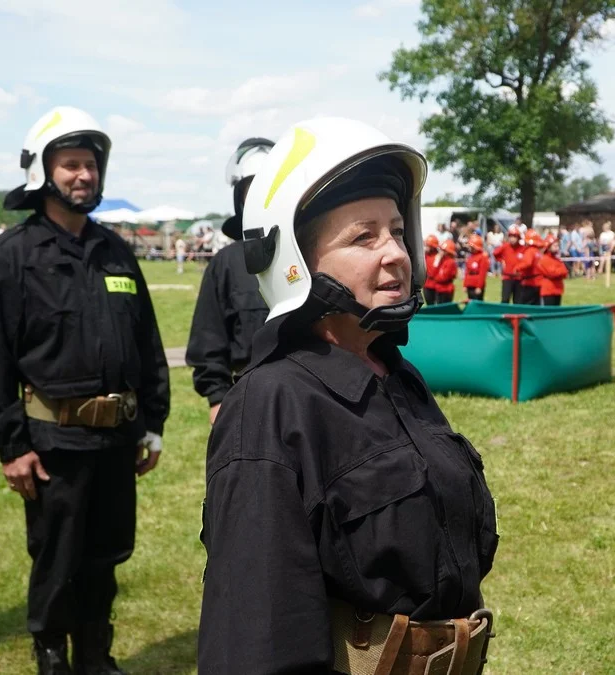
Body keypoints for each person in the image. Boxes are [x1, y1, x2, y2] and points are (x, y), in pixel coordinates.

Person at [198, 117, 497, 674]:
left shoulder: (397, 377)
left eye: (396, 231)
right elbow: (257, 641)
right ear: (296, 262)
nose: (395, 253)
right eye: (364, 237)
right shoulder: (270, 408)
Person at [0, 107, 170, 674]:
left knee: (105, 556)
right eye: (70, 165)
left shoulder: (116, 251)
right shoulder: (12, 255)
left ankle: (94, 654)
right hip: (52, 441)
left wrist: (151, 422)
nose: (84, 175)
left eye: (90, 165)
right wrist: (11, 444)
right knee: (57, 557)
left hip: (115, 441)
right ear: (43, 172)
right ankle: (52, 654)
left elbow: (146, 344)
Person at [187, 138, 274, 424]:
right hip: (247, 406)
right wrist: (217, 398)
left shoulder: (314, 254)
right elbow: (208, 336)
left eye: (271, 186)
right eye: (254, 188)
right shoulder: (226, 263)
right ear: (241, 197)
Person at [492, 225, 524, 303]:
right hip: (507, 277)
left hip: (519, 278)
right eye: (511, 236)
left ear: (518, 238)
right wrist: (501, 260)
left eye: (515, 237)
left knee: (518, 300)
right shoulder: (505, 246)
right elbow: (495, 253)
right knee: (505, 299)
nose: (512, 239)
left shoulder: (523, 248)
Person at [537, 233, 569, 305]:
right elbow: (552, 273)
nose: (557, 248)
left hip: (558, 290)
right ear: (548, 247)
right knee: (548, 313)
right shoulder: (544, 259)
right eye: (555, 246)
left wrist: (559, 271)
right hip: (548, 291)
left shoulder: (557, 259)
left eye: (558, 246)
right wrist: (559, 271)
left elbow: (565, 272)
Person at [516, 229, 542, 305]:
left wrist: (517, 268)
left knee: (524, 306)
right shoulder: (537, 252)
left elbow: (527, 263)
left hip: (530, 283)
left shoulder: (530, 251)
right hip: (538, 282)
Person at [429, 238, 459, 303]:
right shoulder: (441, 260)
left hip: (446, 290)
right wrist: (436, 262)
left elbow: (444, 277)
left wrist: (435, 278)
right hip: (439, 289)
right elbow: (432, 273)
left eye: (443, 250)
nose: (441, 252)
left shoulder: (451, 262)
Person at [464, 233, 489, 301]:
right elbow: (467, 272)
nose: (469, 248)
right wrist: (465, 285)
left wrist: (479, 287)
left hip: (476, 284)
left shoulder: (482, 257)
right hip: (470, 284)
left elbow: (482, 274)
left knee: (477, 303)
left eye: (471, 246)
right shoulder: (470, 257)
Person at [422, 234, 440, 305]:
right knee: (429, 304)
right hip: (427, 284)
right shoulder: (425, 255)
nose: (426, 247)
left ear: (433, 247)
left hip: (435, 285)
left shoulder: (438, 257)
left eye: (428, 245)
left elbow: (434, 272)